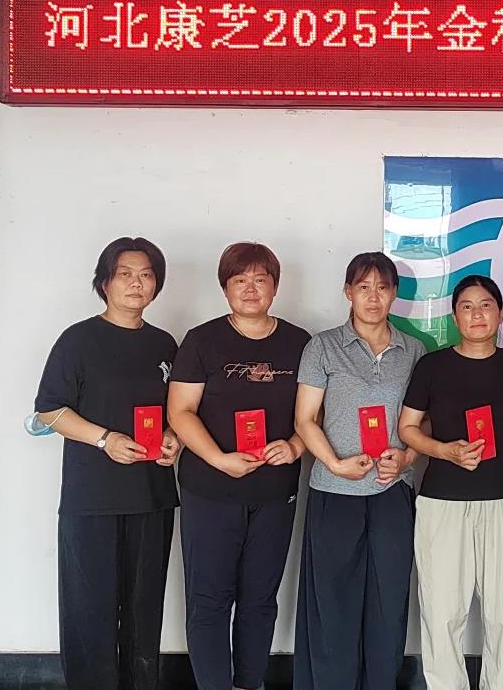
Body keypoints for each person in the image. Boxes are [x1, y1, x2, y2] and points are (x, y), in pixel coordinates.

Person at [33, 236, 180, 690]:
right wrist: (104, 439)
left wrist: (174, 439)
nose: (137, 284)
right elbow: (49, 411)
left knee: (144, 610)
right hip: (92, 498)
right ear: (104, 283)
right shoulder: (78, 340)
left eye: (146, 275)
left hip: (152, 496)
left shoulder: (164, 344)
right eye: (125, 274)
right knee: (89, 611)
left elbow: (179, 412)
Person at [167, 242, 310, 690]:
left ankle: (250, 682)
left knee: (260, 598)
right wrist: (218, 459)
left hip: (275, 493)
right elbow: (180, 411)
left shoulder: (300, 343)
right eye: (239, 280)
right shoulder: (202, 340)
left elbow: (315, 413)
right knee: (209, 599)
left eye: (260, 280)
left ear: (275, 287)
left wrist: (295, 446)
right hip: (210, 491)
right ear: (225, 288)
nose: (250, 289)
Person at [398, 274, 503, 690]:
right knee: (442, 612)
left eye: (485, 306)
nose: (477, 314)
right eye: (466, 306)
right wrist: (445, 451)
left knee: (501, 615)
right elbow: (408, 428)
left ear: (501, 314)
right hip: (443, 503)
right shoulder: (432, 367)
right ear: (454, 316)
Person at [292, 252, 425, 689]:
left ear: (394, 294)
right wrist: (335, 463)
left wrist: (406, 458)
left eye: (382, 288)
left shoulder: (414, 351)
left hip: (392, 493)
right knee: (333, 602)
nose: (373, 297)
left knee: (389, 600)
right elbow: (304, 419)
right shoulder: (323, 346)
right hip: (334, 493)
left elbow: (424, 423)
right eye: (363, 287)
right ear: (347, 292)